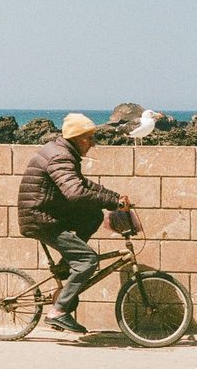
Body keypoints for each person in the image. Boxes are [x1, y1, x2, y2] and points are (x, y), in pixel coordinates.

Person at [17, 113, 130, 334]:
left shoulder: (64, 152)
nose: (93, 143)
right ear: (77, 137)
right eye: (89, 138)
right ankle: (57, 312)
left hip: (47, 212)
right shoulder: (60, 156)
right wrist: (113, 203)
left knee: (93, 216)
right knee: (88, 261)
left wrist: (115, 197)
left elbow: (83, 184)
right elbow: (76, 193)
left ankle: (66, 265)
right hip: (41, 218)